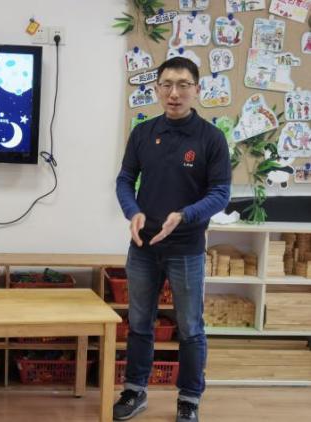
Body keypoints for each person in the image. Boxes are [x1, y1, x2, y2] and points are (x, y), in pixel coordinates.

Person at [113, 57, 232, 422]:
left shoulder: (211, 138)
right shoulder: (143, 133)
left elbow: (220, 193)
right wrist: (132, 211)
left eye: (182, 85)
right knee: (139, 323)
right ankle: (135, 390)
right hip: (143, 247)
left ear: (196, 89)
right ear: (157, 89)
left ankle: (189, 399)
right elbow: (125, 180)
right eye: (166, 85)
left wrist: (184, 215)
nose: (174, 93)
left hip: (186, 248)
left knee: (191, 327)